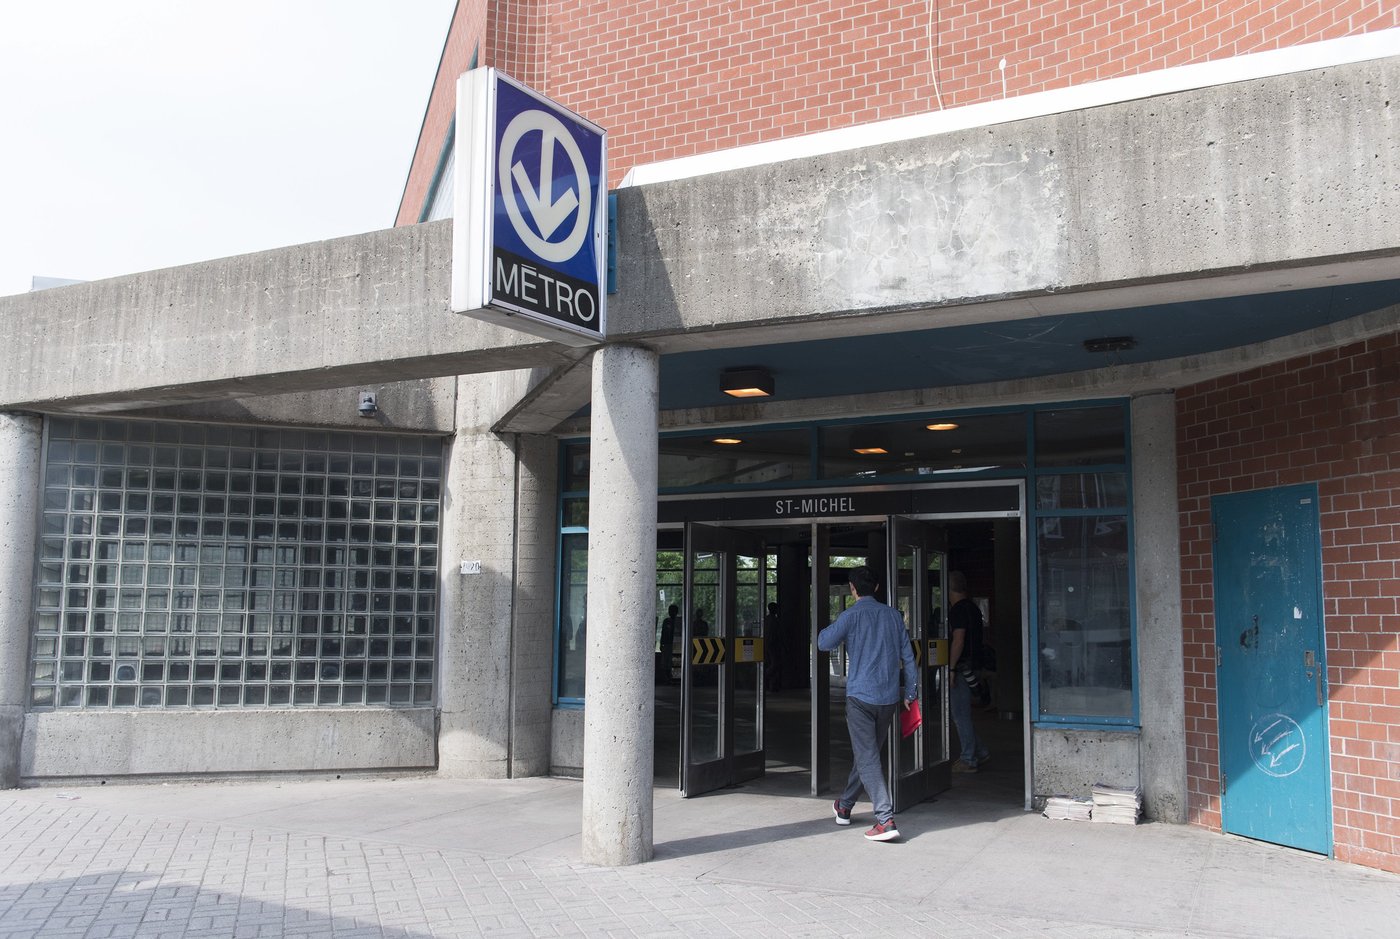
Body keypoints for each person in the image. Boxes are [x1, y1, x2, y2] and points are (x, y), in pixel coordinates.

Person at [817, 566, 918, 842]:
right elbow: (908, 657)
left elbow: (823, 643)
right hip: (888, 699)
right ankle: (845, 805)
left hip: (860, 698)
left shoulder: (850, 616)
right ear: (876, 588)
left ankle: (885, 819)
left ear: (852, 589)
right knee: (868, 755)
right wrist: (911, 692)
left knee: (867, 757)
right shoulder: (894, 616)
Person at [948, 571, 990, 773]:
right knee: (963, 713)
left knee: (959, 714)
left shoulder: (957, 610)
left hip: (963, 668)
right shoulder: (973, 608)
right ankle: (980, 750)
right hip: (975, 666)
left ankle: (968, 758)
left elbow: (958, 640)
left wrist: (951, 667)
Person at [657, 604, 680, 683]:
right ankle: (667, 678)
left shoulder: (679, 622)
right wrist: (661, 643)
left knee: (674, 661)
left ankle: (674, 677)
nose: (671, 613)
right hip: (667, 644)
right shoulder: (666, 621)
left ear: (676, 612)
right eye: (670, 611)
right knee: (666, 662)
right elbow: (663, 633)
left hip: (676, 644)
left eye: (673, 611)